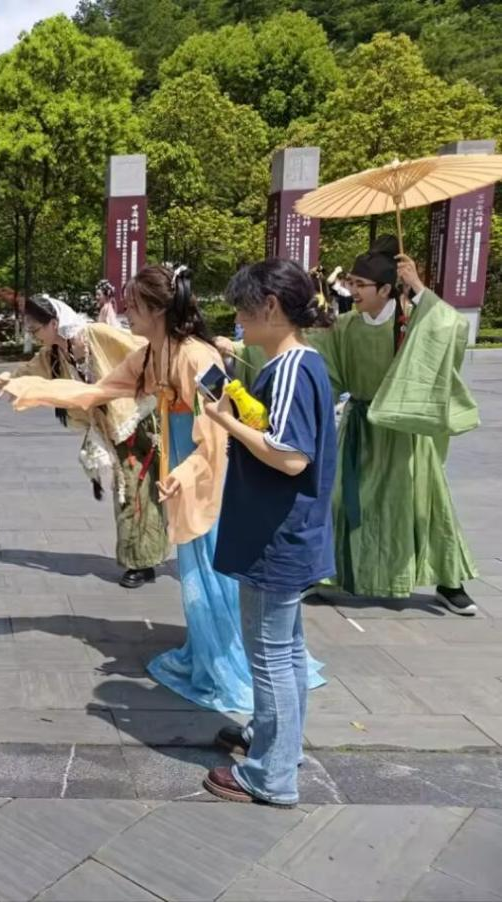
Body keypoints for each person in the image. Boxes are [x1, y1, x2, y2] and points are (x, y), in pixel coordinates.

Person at [2, 263, 324, 712]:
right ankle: (214, 650)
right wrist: (29, 387)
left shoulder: (198, 356)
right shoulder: (153, 353)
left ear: (157, 309)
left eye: (133, 306)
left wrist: (188, 473)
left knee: (214, 569)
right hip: (180, 466)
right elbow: (96, 393)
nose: (125, 314)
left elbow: (216, 434)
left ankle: (236, 664)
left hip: (207, 472)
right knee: (197, 568)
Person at [200, 259, 337, 808]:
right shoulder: (301, 363)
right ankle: (277, 743)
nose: (238, 318)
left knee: (271, 653)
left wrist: (223, 420)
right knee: (286, 649)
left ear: (271, 307)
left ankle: (271, 774)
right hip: (290, 532)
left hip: (275, 536)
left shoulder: (291, 369)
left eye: (242, 308)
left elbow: (290, 456)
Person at [304, 237, 479, 614]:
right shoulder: (345, 326)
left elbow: (450, 327)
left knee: (422, 503)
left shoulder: (409, 324)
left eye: (360, 284)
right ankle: (323, 574)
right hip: (360, 428)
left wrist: (417, 287)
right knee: (338, 499)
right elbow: (315, 357)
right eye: (351, 282)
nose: (352, 290)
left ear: (385, 289)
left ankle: (449, 582)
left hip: (404, 431)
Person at [0, 296, 168, 587]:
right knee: (131, 490)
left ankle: (146, 559)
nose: (33, 335)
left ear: (54, 323)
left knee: (148, 489)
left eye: (35, 328)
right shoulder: (50, 357)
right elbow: (13, 381)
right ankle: (141, 560)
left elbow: (145, 348)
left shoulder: (96, 334)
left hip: (142, 418)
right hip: (113, 429)